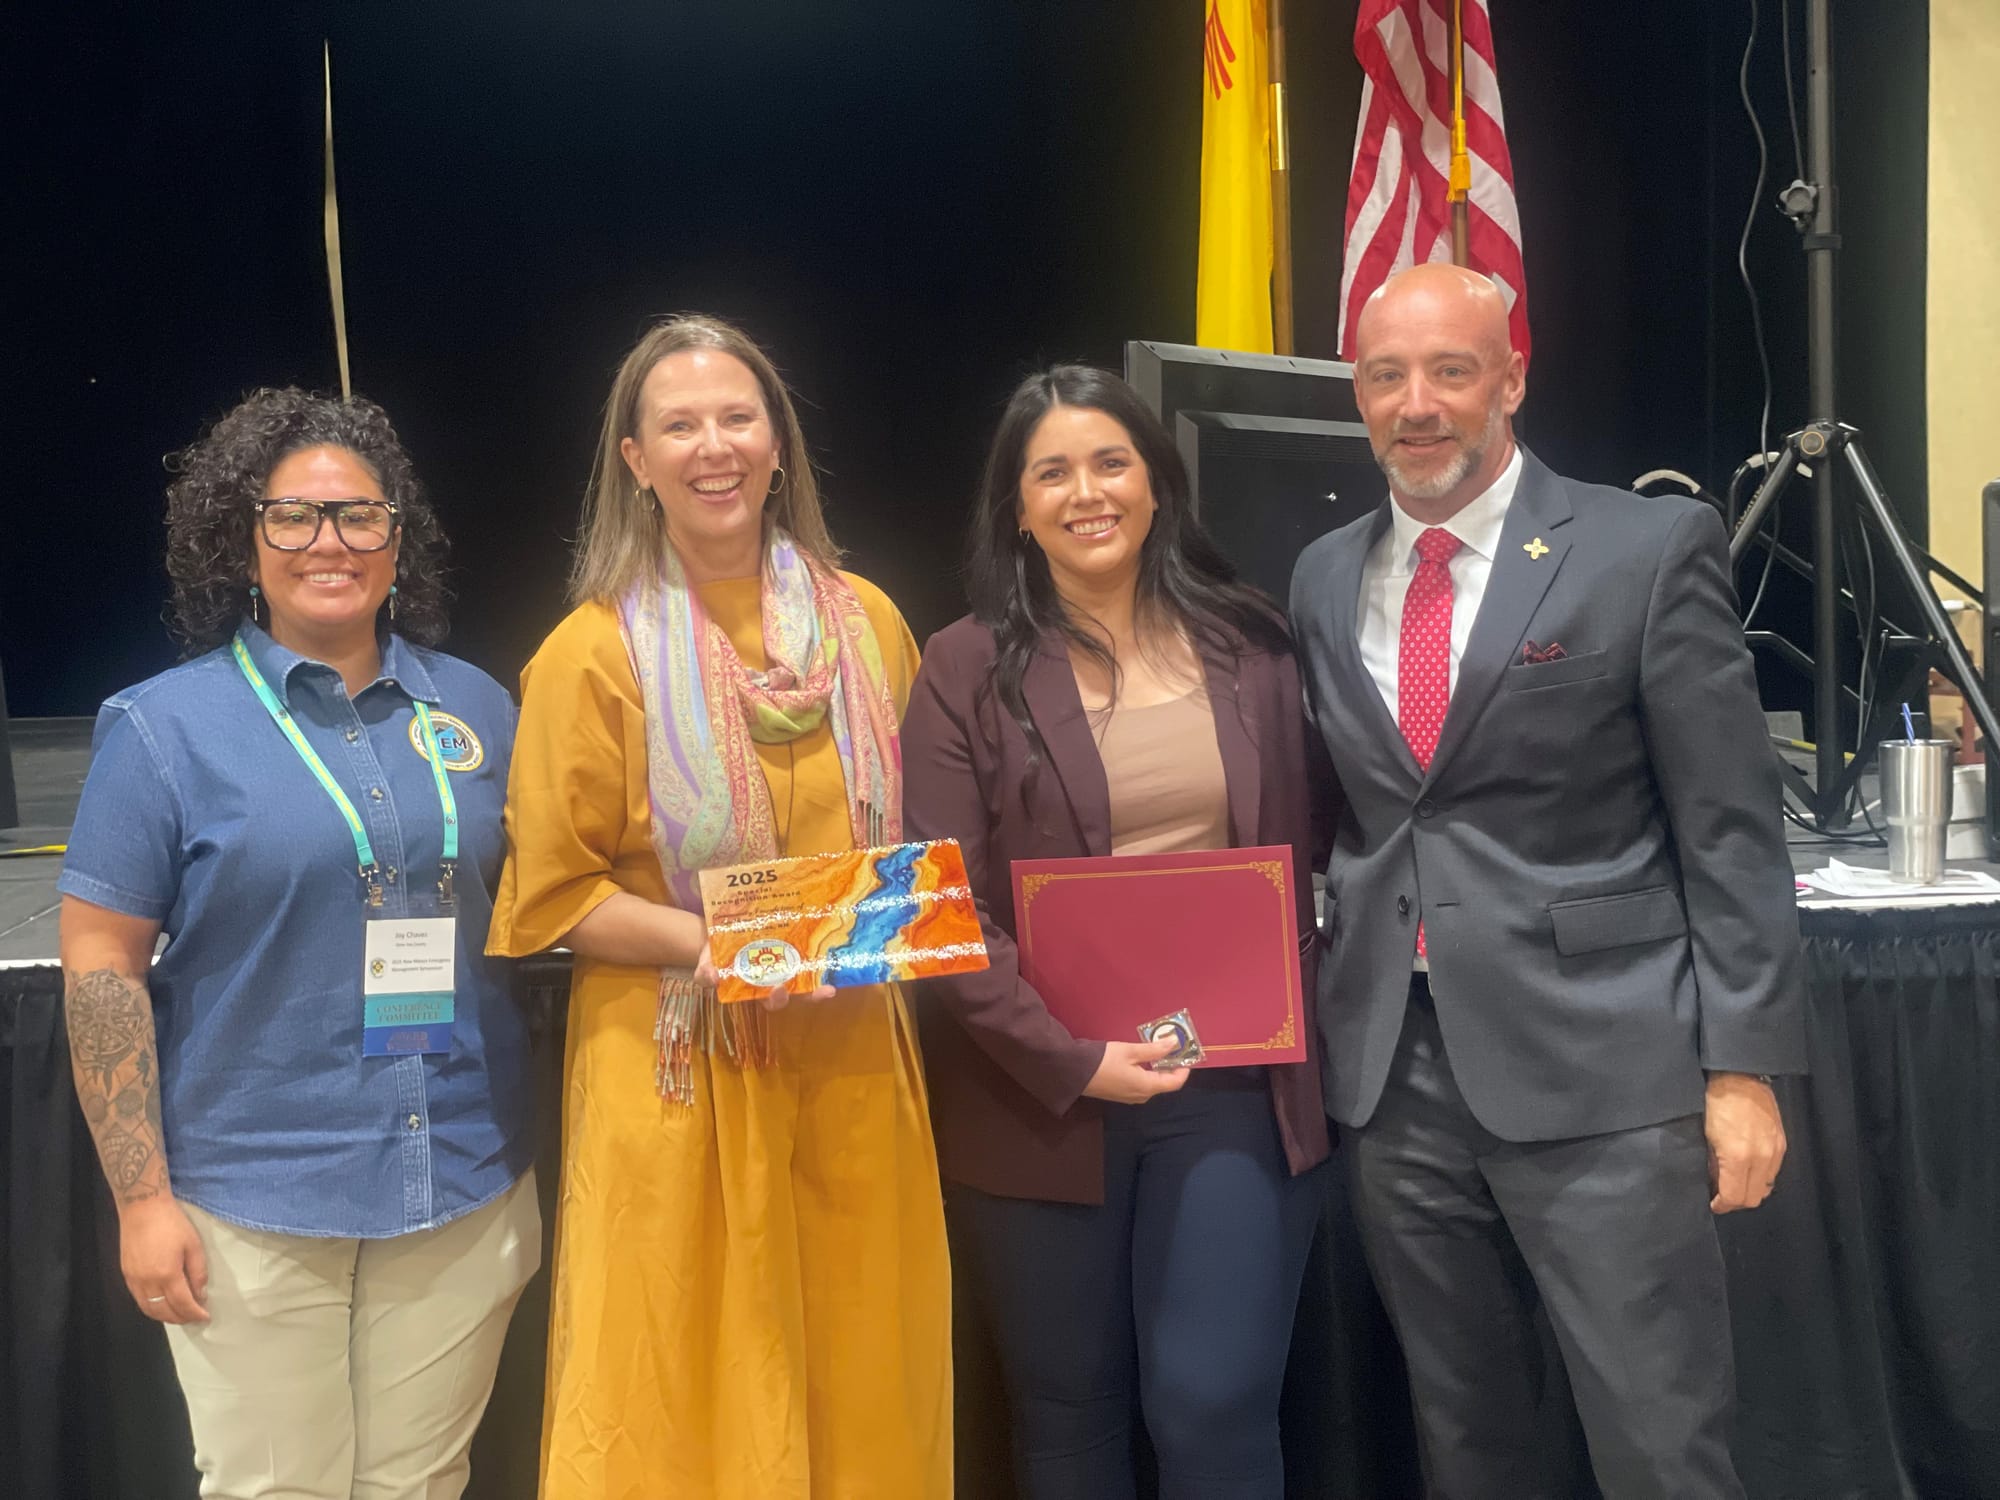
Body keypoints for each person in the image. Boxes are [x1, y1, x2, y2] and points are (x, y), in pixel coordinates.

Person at [1289, 262, 1806, 1499]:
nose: (1416, 404)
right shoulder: (1319, 575)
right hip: (1395, 1080)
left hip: (1604, 1072)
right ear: (1355, 394)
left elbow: (1729, 831)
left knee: (1658, 1442)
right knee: (1467, 1441)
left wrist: (1742, 1069)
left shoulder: (1641, 548)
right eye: (1384, 376)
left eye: (1449, 371)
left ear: (1510, 378)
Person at [487, 314, 950, 1499]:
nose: (714, 447)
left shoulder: (869, 625)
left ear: (777, 443)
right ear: (634, 461)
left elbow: (907, 849)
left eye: (737, 418)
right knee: (679, 1391)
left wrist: (843, 940)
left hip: (851, 1056)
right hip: (677, 1067)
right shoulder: (589, 654)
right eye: (679, 425)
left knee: (863, 1371)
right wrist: (733, 945)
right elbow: (555, 895)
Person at [58, 388, 538, 1500]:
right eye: (294, 516)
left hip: (461, 1177)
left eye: (360, 515)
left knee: (424, 1483)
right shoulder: (163, 728)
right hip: (256, 1197)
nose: (331, 542)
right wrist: (141, 1200)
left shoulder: (478, 708)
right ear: (244, 541)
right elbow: (100, 965)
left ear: (397, 540)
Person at [902, 365, 1330, 1499]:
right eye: (1051, 473)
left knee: (1213, 1402)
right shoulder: (960, 666)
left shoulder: (1257, 642)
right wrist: (1069, 1057)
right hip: (1036, 1094)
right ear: (1017, 507)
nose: (1085, 492)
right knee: (1067, 1423)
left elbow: (1328, 834)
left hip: (1232, 1084)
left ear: (1156, 482)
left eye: (1110, 462)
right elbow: (942, 903)